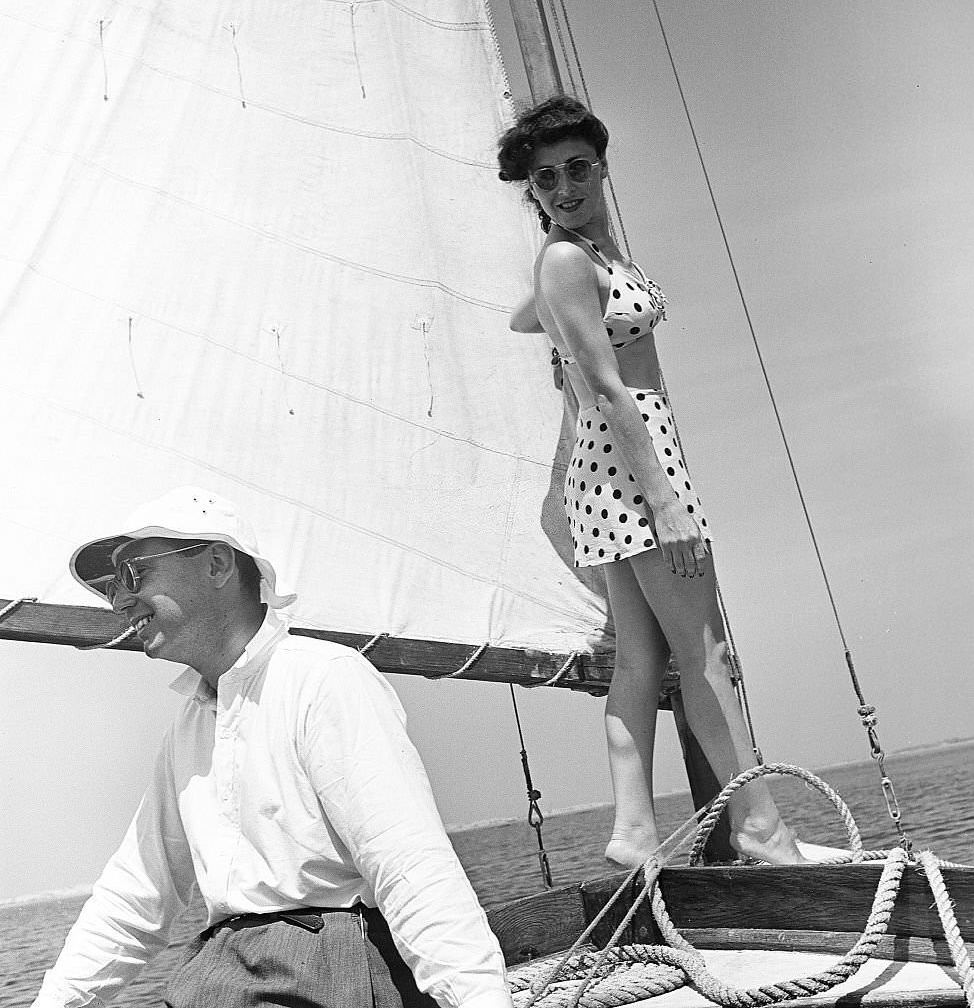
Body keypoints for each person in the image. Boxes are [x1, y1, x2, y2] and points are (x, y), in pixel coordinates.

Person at [32, 486, 512, 1008]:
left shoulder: (323, 679)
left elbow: (409, 866)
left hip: (328, 970)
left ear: (216, 564)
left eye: (133, 575)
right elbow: (134, 896)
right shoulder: (190, 727)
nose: (121, 602)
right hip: (222, 974)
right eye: (110, 587)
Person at [498, 96, 807, 869]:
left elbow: (524, 321)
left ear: (601, 166)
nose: (563, 187)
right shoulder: (569, 259)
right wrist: (664, 497)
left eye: (577, 168)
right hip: (634, 459)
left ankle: (634, 833)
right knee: (704, 653)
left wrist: (552, 309)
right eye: (545, 178)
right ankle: (761, 828)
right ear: (531, 189)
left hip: (609, 467)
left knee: (641, 658)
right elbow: (604, 385)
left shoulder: (584, 260)